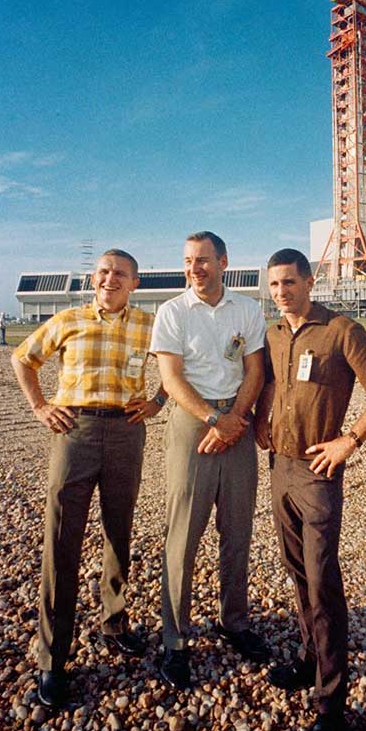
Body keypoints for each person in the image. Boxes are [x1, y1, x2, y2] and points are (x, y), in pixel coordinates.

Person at [254, 249, 366, 731]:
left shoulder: (342, 331)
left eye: (289, 282)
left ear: (310, 281)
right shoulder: (274, 334)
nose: (281, 292)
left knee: (322, 583)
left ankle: (332, 710)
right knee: (297, 572)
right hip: (280, 467)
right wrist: (259, 419)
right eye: (274, 285)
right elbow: (273, 381)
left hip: (319, 472)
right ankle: (308, 658)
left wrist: (351, 440)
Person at [11, 249, 167, 709]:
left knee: (119, 533)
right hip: (74, 431)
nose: (110, 279)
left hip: (126, 432)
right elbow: (25, 359)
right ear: (93, 279)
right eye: (103, 272)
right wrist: (40, 406)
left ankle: (114, 624)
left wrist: (157, 401)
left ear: (135, 282)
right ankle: (52, 658)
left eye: (120, 273)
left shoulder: (149, 324)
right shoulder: (68, 319)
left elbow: (182, 365)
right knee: (62, 540)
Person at [151, 231, 269, 689]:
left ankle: (233, 622)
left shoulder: (248, 309)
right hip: (193, 420)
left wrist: (236, 418)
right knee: (182, 535)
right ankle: (175, 639)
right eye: (187, 261)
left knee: (237, 530)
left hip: (236, 421)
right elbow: (172, 377)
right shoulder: (173, 312)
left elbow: (255, 369)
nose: (194, 269)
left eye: (202, 260)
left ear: (223, 261)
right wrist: (212, 419)